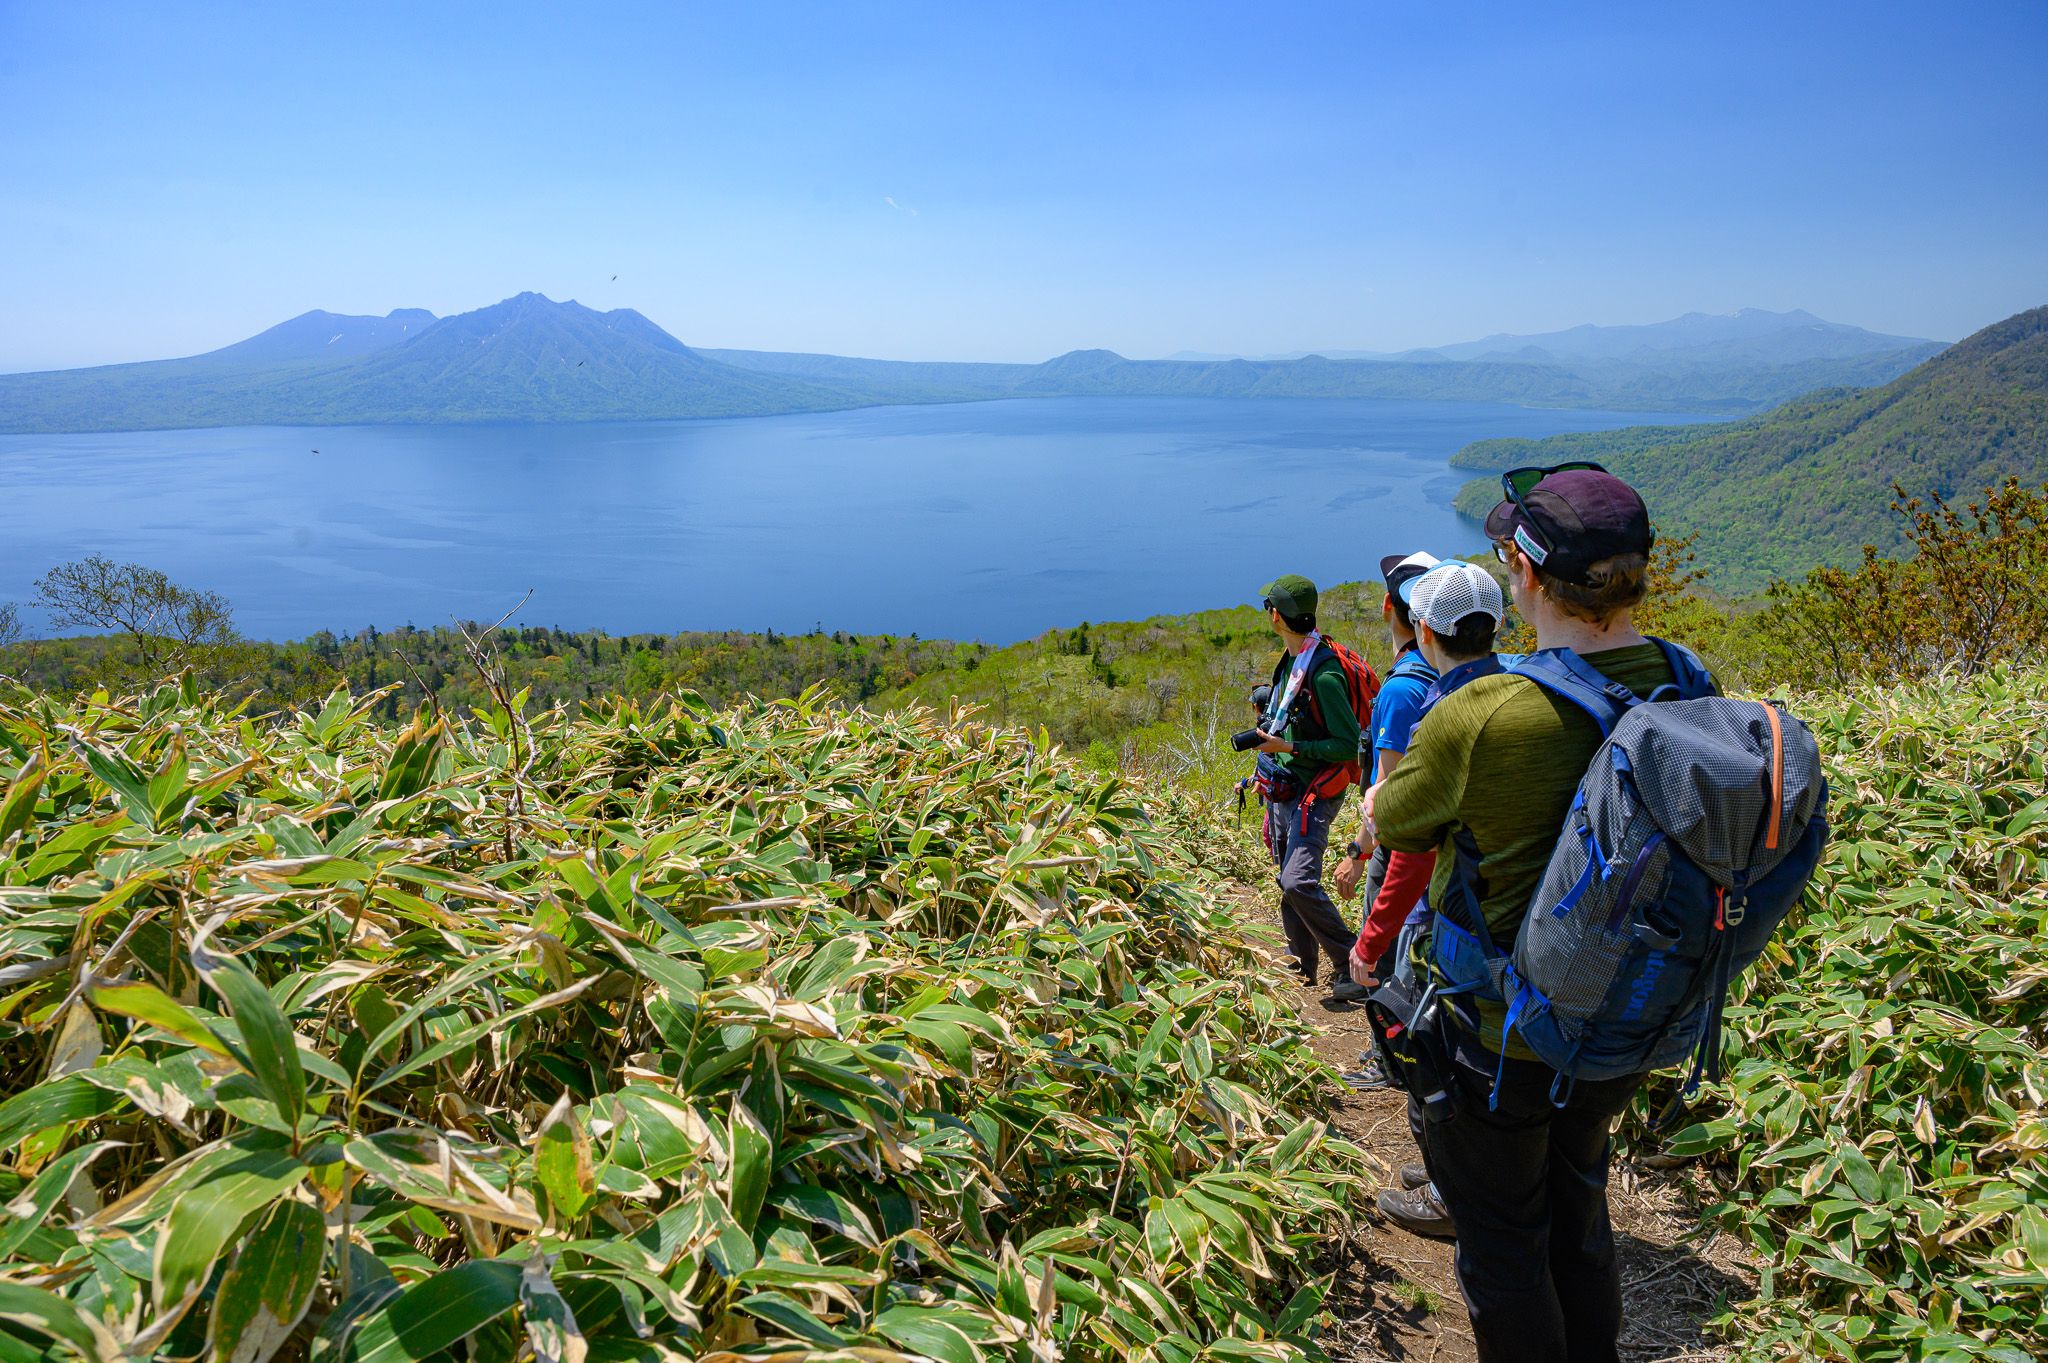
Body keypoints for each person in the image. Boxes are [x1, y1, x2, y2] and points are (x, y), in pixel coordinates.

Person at [1371, 466, 1697, 1363]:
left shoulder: (1487, 711)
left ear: (1521, 569)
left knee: (1505, 1243)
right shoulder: (1683, 676)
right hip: (1625, 1018)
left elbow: (1396, 819)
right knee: (1577, 1210)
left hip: (1500, 1030)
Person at [1353, 559, 1506, 1237]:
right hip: (1517, 919)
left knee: (1434, 1068)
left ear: (1423, 630)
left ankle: (1451, 1191)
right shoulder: (1526, 690)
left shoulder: (1443, 719)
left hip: (1456, 925)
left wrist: (1371, 939)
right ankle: (1456, 1175)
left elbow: (1408, 844)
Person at [1250, 574, 1364, 997]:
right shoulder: (1294, 656)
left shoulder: (1325, 672)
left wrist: (1291, 746)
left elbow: (1348, 744)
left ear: (1277, 615)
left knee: (1298, 880)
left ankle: (1352, 960)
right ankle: (1301, 966)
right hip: (1284, 784)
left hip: (1315, 788)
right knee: (1286, 879)